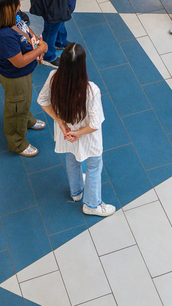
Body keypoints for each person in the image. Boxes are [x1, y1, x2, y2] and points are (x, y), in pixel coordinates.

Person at [37, 43, 114, 216]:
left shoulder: (53, 77)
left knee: (72, 158)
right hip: (84, 136)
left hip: (66, 133)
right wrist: (78, 134)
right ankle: (92, 205)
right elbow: (94, 124)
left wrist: (62, 124)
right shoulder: (91, 90)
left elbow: (43, 101)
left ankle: (76, 192)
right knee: (94, 166)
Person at [0, 0, 47, 156]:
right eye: (16, 5)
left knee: (25, 100)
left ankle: (27, 119)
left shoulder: (13, 17)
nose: (20, 4)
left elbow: (25, 29)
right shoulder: (3, 35)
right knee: (16, 108)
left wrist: (36, 42)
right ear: (7, 11)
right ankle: (17, 142)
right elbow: (19, 62)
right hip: (15, 76)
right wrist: (41, 49)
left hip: (24, 73)